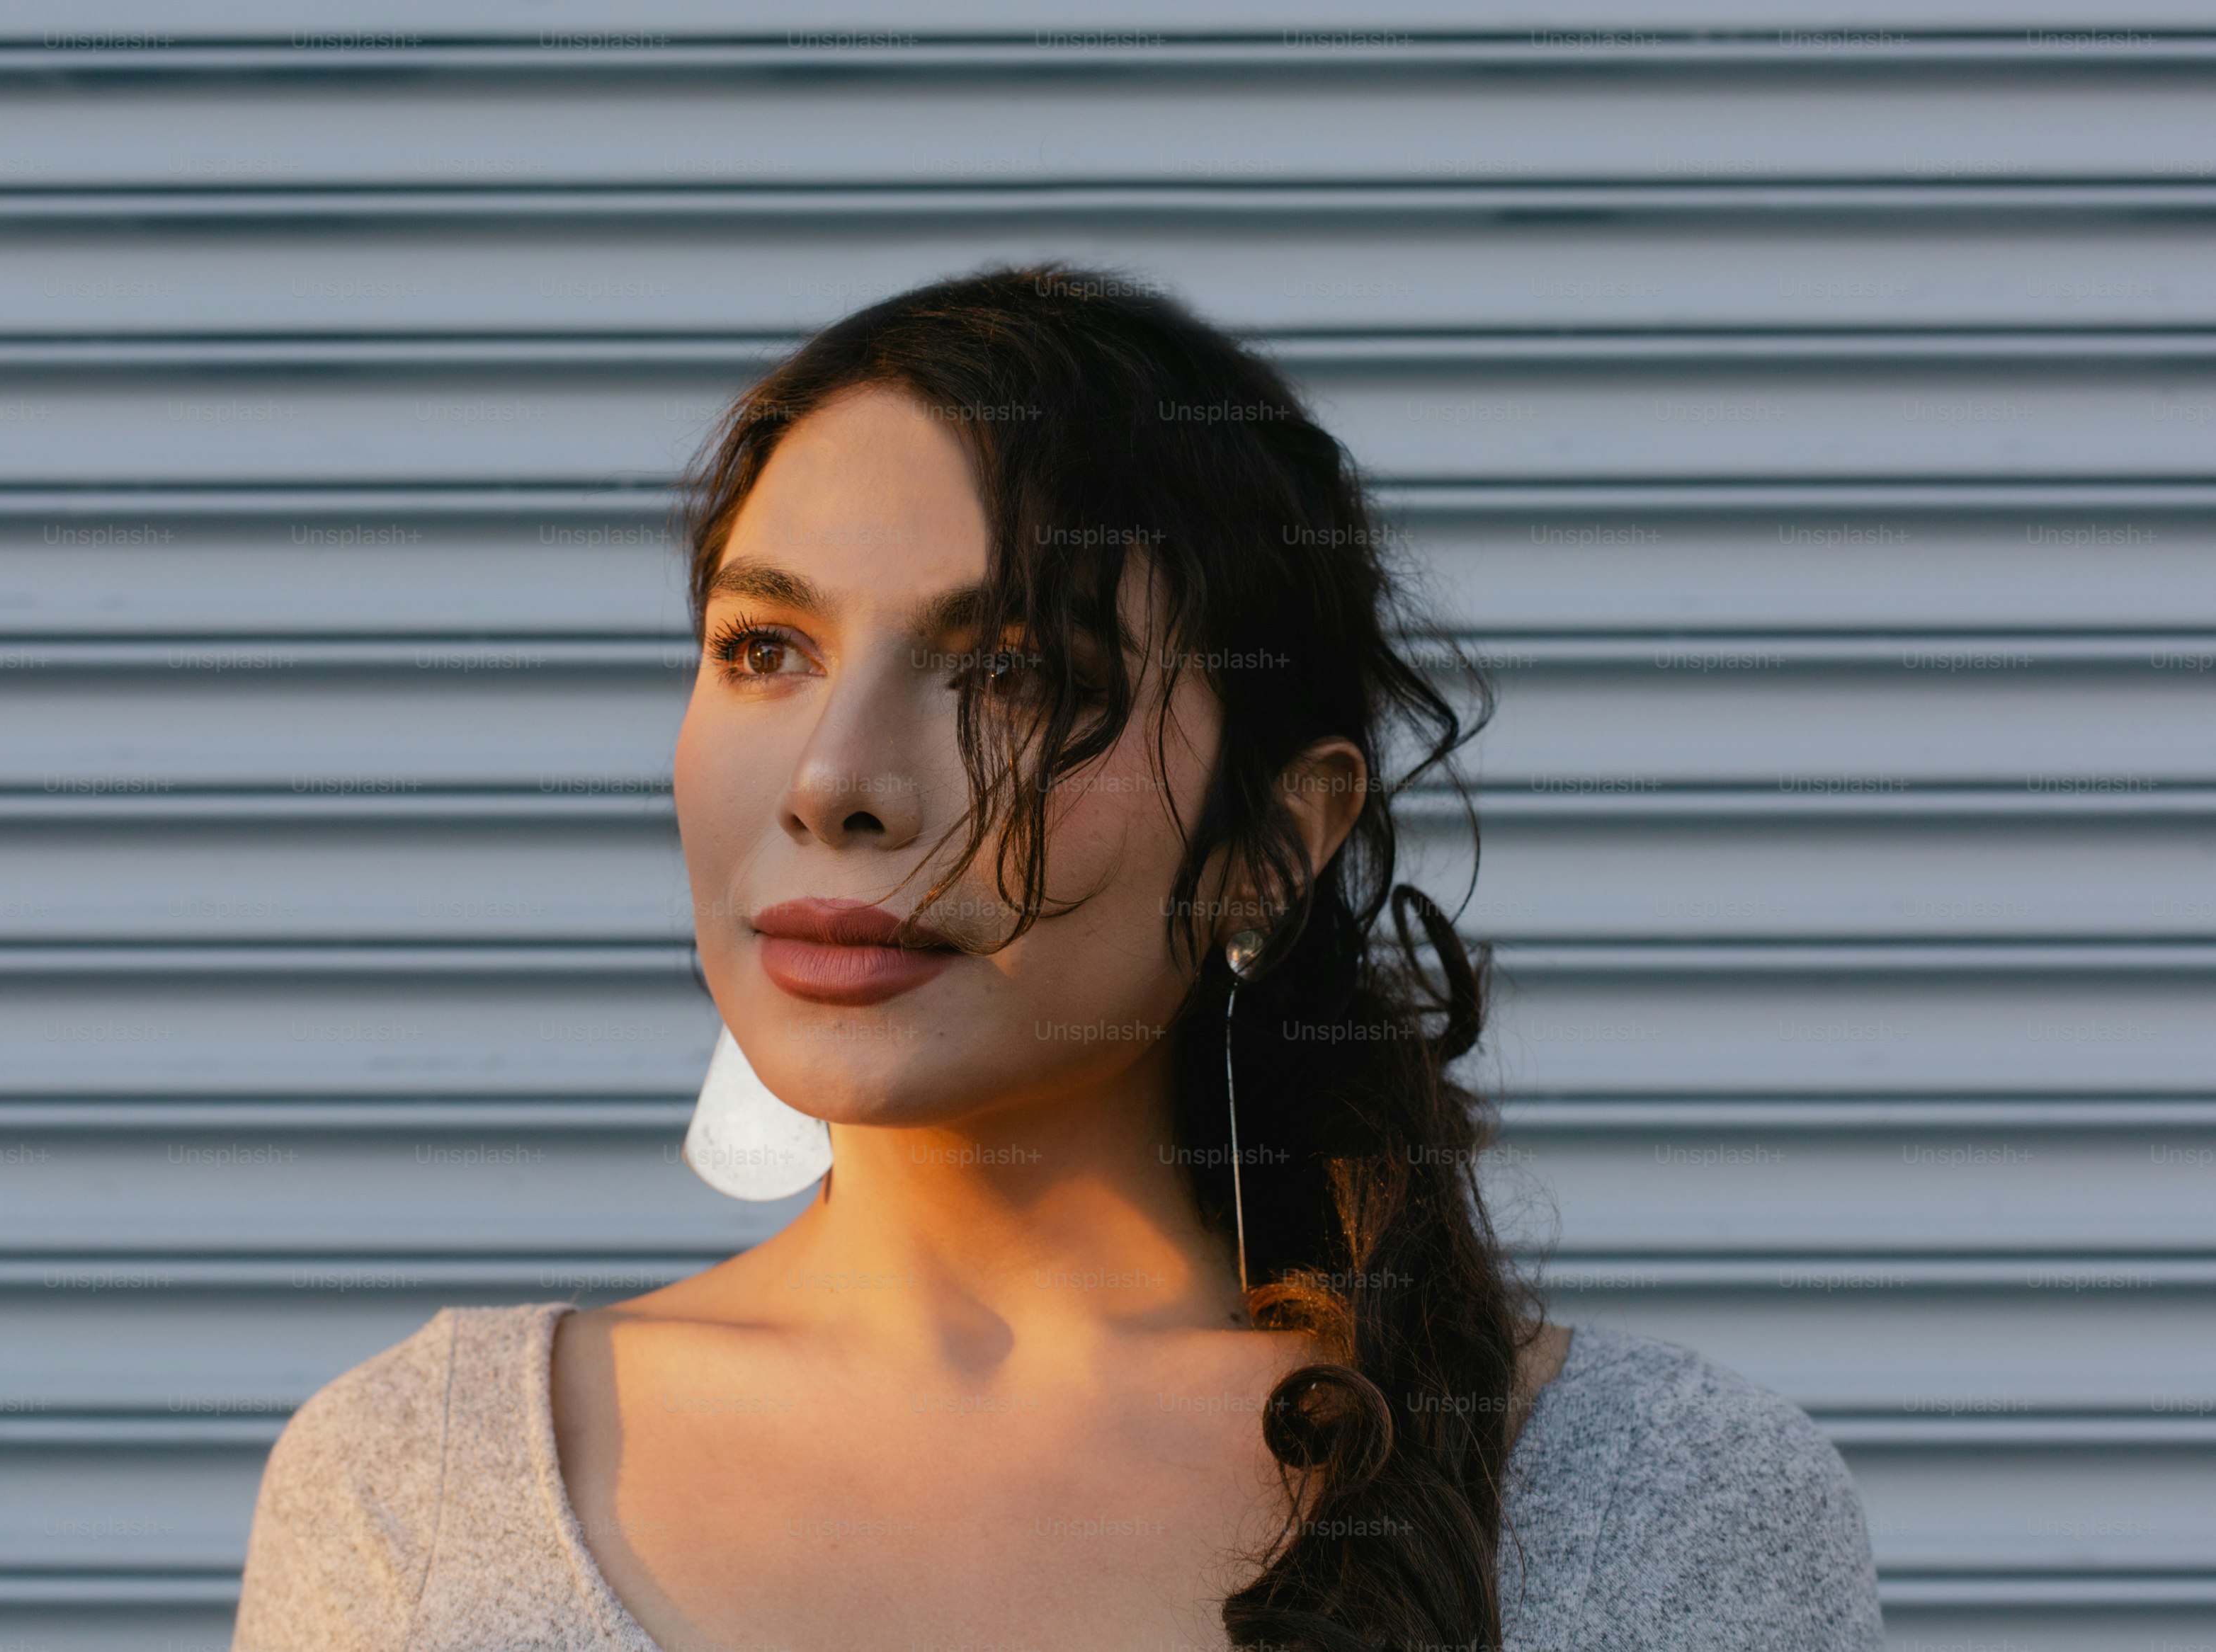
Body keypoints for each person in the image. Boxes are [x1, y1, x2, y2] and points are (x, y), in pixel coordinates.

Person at [231, 266, 1883, 1651]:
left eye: (1017, 674)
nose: (834, 781)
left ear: (1274, 843)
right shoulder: (415, 1490)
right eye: (765, 648)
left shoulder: (1649, 1501)